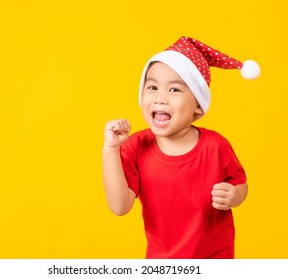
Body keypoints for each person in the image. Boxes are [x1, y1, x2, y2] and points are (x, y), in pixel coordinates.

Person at [102, 36, 260, 259]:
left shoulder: (216, 146)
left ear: (198, 104)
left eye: (174, 90)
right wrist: (110, 150)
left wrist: (234, 195)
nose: (160, 98)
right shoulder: (136, 146)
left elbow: (240, 184)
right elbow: (119, 206)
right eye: (153, 87)